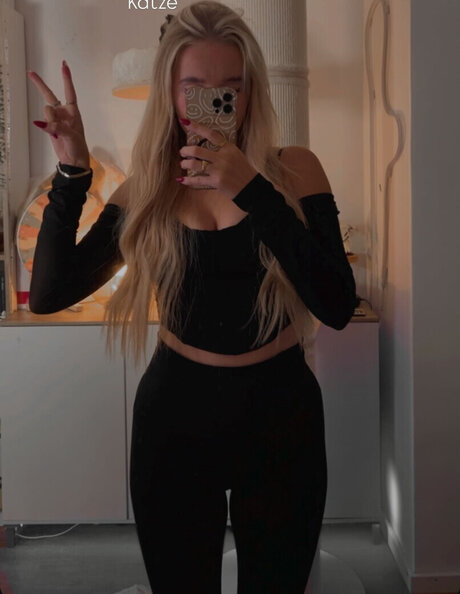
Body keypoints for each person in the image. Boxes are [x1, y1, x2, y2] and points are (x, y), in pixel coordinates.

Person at [28, 2, 358, 592]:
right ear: (170, 93)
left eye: (231, 85)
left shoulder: (294, 170)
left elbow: (336, 304)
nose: (215, 100)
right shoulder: (148, 191)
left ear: (251, 91)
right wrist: (73, 171)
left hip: (281, 418)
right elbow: (49, 295)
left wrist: (251, 189)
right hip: (174, 419)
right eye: (195, 87)